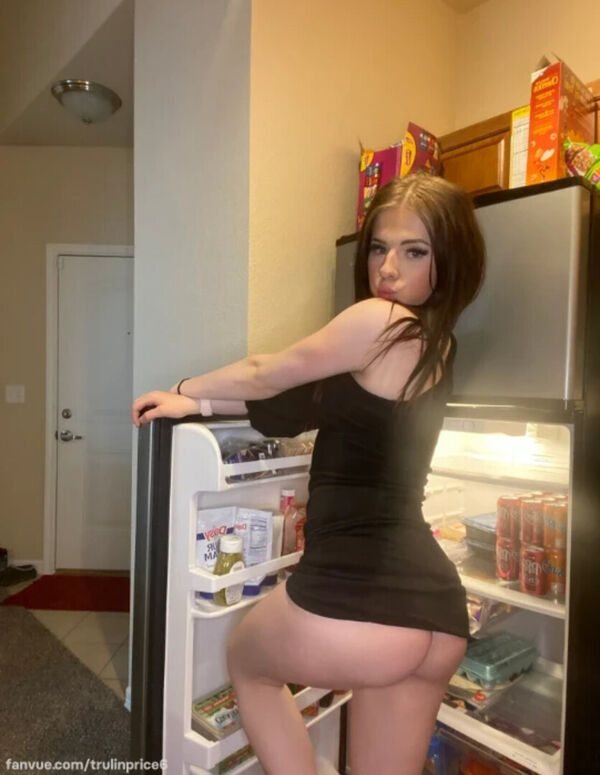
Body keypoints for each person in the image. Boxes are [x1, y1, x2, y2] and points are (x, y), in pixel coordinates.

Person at [131, 173, 485, 775]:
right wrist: (201, 404)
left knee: (248, 662)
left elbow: (267, 371)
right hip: (437, 616)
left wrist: (183, 386)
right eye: (379, 247)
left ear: (449, 261)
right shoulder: (437, 344)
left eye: (414, 251)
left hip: (358, 597)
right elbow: (292, 400)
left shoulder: (379, 322)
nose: (388, 268)